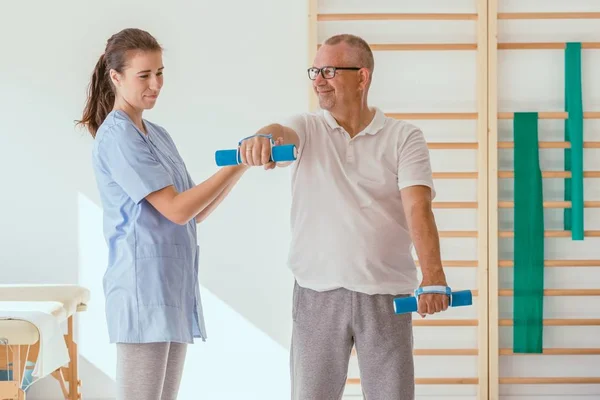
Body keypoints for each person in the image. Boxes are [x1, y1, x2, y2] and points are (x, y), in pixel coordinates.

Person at [239, 34, 449, 400]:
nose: (318, 79)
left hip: (385, 294)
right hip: (317, 295)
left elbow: (418, 207)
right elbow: (279, 132)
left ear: (362, 77)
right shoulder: (306, 128)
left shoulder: (404, 137)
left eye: (329, 70)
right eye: (315, 70)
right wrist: (261, 137)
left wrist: (433, 277)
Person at [77, 28, 249, 400]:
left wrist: (241, 166)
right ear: (116, 77)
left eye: (160, 72)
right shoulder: (117, 136)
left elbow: (193, 211)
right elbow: (175, 209)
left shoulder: (157, 134)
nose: (156, 84)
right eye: (144, 75)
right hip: (142, 289)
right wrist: (234, 165)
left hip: (170, 286)